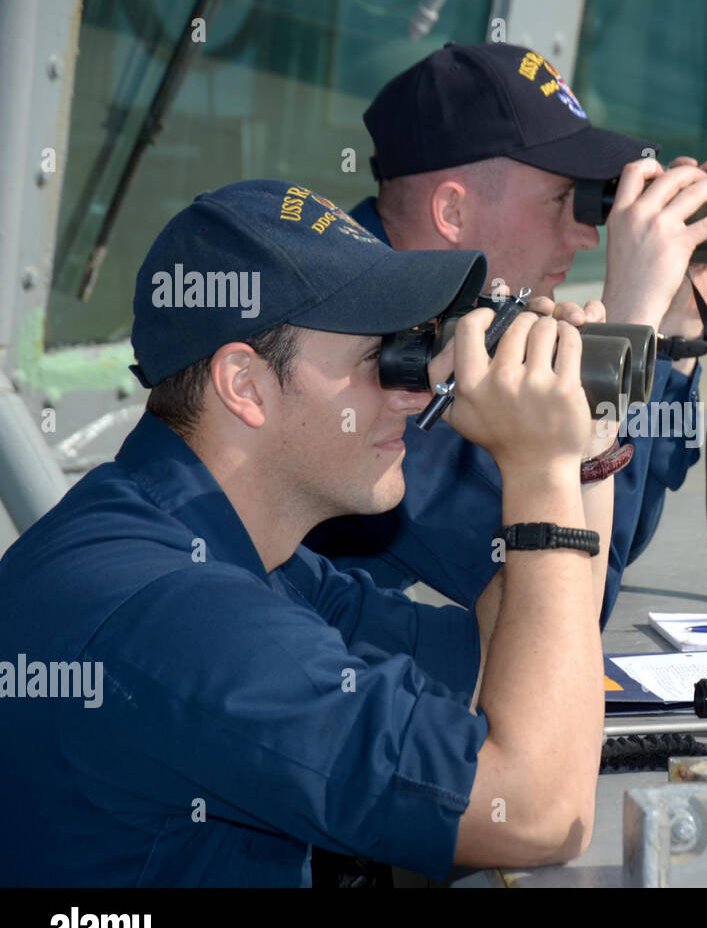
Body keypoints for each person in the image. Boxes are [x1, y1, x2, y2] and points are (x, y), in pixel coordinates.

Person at [0, 179, 614, 886]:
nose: (414, 393)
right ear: (245, 385)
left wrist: (580, 457)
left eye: (413, 347)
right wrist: (539, 473)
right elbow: (536, 812)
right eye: (379, 356)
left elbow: (494, 662)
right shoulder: (180, 614)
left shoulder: (231, 550)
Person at [307, 42, 707, 625]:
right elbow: (564, 605)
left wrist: (672, 332)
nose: (587, 236)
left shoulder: (452, 312)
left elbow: (612, 520)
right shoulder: (359, 347)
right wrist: (624, 325)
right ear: (453, 212)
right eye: (563, 199)